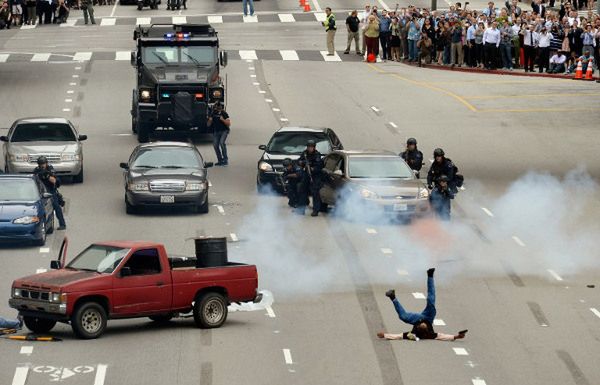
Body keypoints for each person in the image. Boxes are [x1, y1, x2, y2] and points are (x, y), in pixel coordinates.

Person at [378, 268, 468, 341]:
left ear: (418, 329)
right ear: (426, 331)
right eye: (424, 327)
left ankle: (392, 297)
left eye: (421, 327)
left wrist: (385, 335)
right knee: (431, 300)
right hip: (429, 317)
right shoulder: (430, 335)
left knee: (403, 317)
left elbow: (399, 336)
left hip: (416, 319)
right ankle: (430, 276)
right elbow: (442, 336)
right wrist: (457, 336)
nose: (423, 326)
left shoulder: (414, 334)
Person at [33, 156, 66, 230]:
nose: (42, 165)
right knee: (41, 209)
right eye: (41, 164)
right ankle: (43, 226)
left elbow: (55, 181)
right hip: (41, 191)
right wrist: (39, 176)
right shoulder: (36, 170)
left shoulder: (50, 169)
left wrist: (47, 176)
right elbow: (34, 180)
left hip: (51, 190)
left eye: (43, 164)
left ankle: (62, 224)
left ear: (46, 163)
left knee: (56, 207)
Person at [298, 140, 323, 217]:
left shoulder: (317, 155)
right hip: (306, 175)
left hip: (315, 176)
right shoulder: (304, 153)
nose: (310, 148)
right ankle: (301, 210)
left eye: (311, 147)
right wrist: (302, 163)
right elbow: (298, 161)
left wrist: (312, 168)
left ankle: (315, 210)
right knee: (302, 191)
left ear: (314, 147)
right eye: (309, 147)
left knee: (315, 193)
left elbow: (319, 166)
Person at [207, 102, 231, 166]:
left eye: (218, 107)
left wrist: (222, 120)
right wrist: (210, 120)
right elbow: (208, 125)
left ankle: (225, 160)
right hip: (216, 131)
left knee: (222, 143)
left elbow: (228, 124)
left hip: (224, 131)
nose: (217, 109)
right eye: (216, 108)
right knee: (215, 145)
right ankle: (220, 160)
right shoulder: (213, 114)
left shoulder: (224, 113)